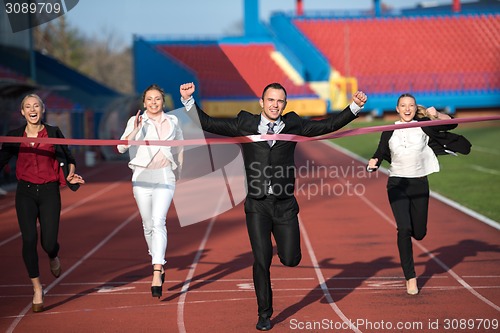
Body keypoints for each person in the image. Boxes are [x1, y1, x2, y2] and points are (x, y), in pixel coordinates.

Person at [180, 82, 367, 331]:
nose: (275, 105)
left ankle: (286, 250)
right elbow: (210, 124)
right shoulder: (244, 124)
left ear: (285, 104)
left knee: (290, 259)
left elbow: (327, 126)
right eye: (271, 100)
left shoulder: (294, 125)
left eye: (279, 101)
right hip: (257, 204)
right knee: (261, 259)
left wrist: (354, 106)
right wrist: (188, 102)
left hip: (285, 204)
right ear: (262, 102)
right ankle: (264, 314)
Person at [367, 93, 471, 295]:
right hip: (397, 184)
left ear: (415, 109)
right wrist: (373, 162)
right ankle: (410, 277)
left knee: (420, 233)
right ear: (397, 109)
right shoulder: (390, 131)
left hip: (419, 184)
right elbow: (380, 152)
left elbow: (452, 124)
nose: (407, 109)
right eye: (403, 106)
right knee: (403, 229)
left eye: (411, 106)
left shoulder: (423, 124)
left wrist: (437, 114)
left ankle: (414, 239)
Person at [0, 94, 85, 313]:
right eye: (27, 106)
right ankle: (37, 288)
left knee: (48, 243)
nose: (32, 109)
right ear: (22, 112)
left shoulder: (54, 132)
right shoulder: (14, 136)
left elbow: (69, 159)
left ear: (43, 109)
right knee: (28, 240)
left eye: (36, 105)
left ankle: (53, 254)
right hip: (25, 193)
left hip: (49, 192)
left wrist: (70, 176)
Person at [117, 84, 184, 299]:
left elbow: (181, 146)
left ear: (163, 102)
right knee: (147, 225)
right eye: (149, 100)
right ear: (144, 103)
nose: (153, 103)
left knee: (158, 221)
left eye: (157, 99)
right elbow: (121, 147)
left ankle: (157, 270)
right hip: (142, 177)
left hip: (165, 175)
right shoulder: (136, 121)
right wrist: (135, 129)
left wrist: (179, 171)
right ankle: (157, 259)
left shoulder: (173, 120)